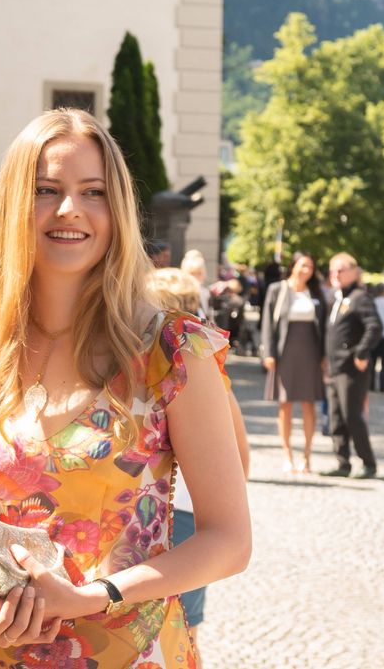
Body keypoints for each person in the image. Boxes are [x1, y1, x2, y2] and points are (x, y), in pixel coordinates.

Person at [0, 108, 250, 668]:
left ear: (116, 209)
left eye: (92, 191)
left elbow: (229, 541)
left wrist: (93, 596)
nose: (69, 209)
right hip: (6, 656)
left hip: (137, 653)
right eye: (45, 189)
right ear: (14, 208)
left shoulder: (171, 353)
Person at [145, 267, 250, 644]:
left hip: (185, 518)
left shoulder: (194, 373)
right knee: (182, 631)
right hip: (185, 514)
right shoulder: (215, 378)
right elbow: (242, 460)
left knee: (178, 632)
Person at [260, 251, 328, 473]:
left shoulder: (316, 291)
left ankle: (307, 456)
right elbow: (267, 323)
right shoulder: (278, 289)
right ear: (293, 266)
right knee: (285, 403)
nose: (306, 270)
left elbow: (325, 326)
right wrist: (268, 353)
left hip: (310, 352)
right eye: (303, 265)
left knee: (309, 403)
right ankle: (287, 453)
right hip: (285, 352)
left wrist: (325, 355)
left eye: (310, 266)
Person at [321, 253, 382, 479]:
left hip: (351, 369)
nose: (336, 275)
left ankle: (368, 463)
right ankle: (342, 462)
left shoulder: (360, 297)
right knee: (336, 418)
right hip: (334, 368)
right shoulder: (337, 298)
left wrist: (361, 351)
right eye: (332, 271)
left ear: (354, 272)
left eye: (341, 270)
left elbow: (374, 327)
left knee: (352, 416)